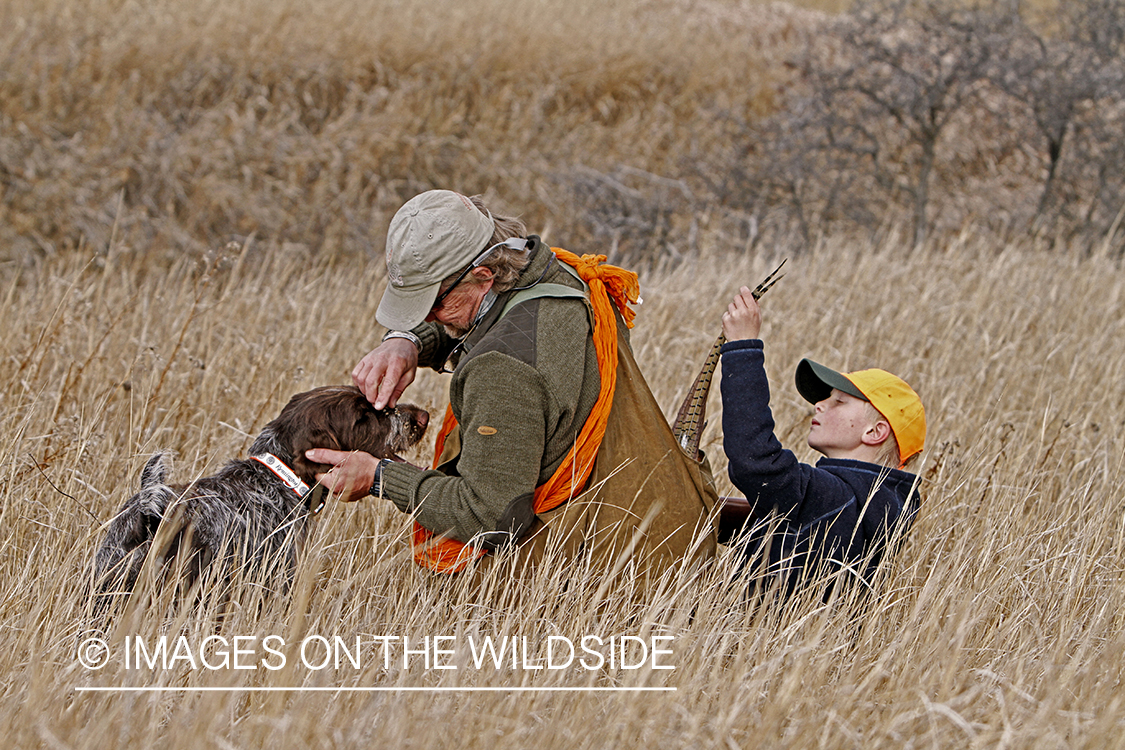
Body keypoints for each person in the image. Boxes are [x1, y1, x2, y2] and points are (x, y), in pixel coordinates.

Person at [307, 190, 716, 573]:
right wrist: (408, 342)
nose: (426, 316)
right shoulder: (558, 274)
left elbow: (487, 516)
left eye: (432, 303)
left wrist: (379, 476)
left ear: (484, 275)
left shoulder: (501, 371)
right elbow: (501, 323)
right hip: (671, 527)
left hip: (613, 572)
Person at [717, 285, 925, 593]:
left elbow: (756, 461)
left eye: (839, 401)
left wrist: (743, 347)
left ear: (875, 432)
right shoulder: (874, 509)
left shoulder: (834, 499)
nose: (820, 404)